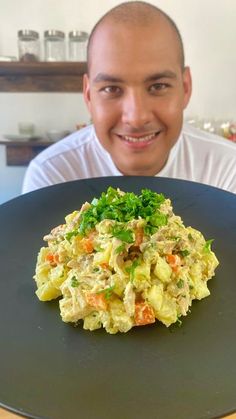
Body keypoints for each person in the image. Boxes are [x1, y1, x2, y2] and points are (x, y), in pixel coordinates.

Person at [22, 1, 236, 194]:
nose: (136, 118)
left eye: (158, 86)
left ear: (186, 88)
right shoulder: (52, 175)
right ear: (88, 95)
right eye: (111, 89)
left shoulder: (227, 169)